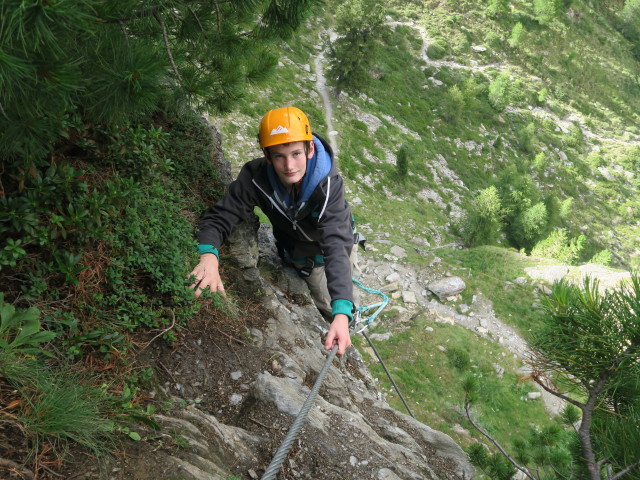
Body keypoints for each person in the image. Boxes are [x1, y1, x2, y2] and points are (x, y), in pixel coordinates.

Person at [189, 106, 358, 356]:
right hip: (297, 252)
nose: (289, 165)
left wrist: (342, 313)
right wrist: (208, 256)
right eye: (279, 156)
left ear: (310, 149)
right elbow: (220, 216)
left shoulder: (328, 186)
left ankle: (347, 322)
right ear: (267, 156)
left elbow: (335, 245)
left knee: (335, 306)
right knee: (332, 301)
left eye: (296, 153)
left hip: (329, 252)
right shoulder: (256, 178)